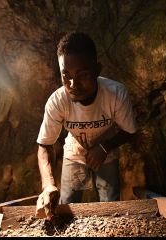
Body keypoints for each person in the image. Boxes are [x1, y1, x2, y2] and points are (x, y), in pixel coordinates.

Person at [35, 32, 137, 220]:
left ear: (97, 70)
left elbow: (129, 130)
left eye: (82, 75)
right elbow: (45, 145)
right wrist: (48, 184)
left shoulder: (116, 94)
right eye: (66, 76)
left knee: (110, 208)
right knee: (65, 206)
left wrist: (104, 147)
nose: (73, 84)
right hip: (75, 150)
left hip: (107, 145)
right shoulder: (57, 101)